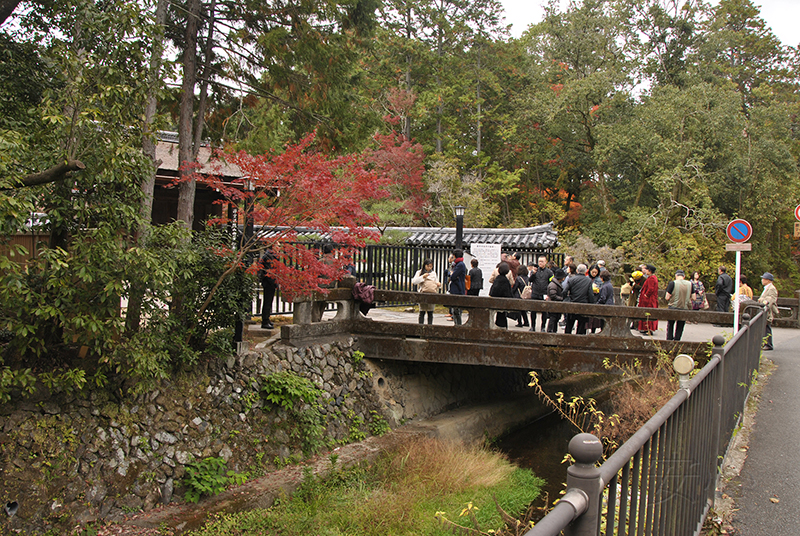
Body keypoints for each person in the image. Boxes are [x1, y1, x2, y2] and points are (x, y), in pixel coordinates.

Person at [563, 263, 595, 334]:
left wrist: (567, 299)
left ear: (577, 270)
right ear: (586, 271)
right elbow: (590, 294)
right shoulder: (588, 281)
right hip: (583, 305)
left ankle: (566, 339)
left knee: (569, 324)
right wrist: (592, 304)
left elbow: (564, 291)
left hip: (572, 303)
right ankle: (578, 341)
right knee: (581, 325)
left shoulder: (571, 279)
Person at [665, 270, 692, 341]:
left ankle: (669, 339)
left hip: (673, 306)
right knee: (680, 326)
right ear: (684, 276)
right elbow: (694, 297)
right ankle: (677, 340)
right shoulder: (690, 284)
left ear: (676, 276)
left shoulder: (672, 283)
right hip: (684, 307)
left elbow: (667, 297)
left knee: (670, 324)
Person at [412, 259, 441, 324]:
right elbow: (414, 282)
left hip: (431, 294)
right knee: (422, 311)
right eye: (428, 266)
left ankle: (430, 327)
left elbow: (436, 282)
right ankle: (421, 326)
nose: (429, 268)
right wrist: (422, 277)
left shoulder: (433, 273)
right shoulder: (419, 272)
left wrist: (438, 284)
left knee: (430, 312)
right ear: (424, 265)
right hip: (423, 293)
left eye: (431, 266)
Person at [529, 256, 553, 332]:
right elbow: (530, 280)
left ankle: (543, 327)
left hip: (544, 293)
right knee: (533, 311)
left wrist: (549, 294)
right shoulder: (535, 271)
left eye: (542, 261)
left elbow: (551, 282)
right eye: (539, 261)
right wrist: (533, 273)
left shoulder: (549, 272)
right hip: (535, 292)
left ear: (545, 262)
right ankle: (533, 326)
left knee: (544, 311)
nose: (540, 263)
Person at [258, 248, 278, 329]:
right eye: (278, 246)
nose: (279, 248)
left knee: (269, 302)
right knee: (267, 302)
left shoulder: (269, 255)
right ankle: (265, 321)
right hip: (268, 283)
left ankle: (267, 319)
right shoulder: (268, 256)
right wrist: (274, 283)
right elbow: (269, 272)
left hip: (268, 282)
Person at [489, 261, 514, 328]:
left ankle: (498, 324)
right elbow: (509, 292)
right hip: (504, 301)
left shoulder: (497, 279)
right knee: (502, 314)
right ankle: (503, 325)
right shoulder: (506, 281)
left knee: (498, 314)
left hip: (496, 300)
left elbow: (493, 290)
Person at [758, 272, 779, 350]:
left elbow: (771, 299)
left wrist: (762, 300)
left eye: (764, 279)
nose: (762, 280)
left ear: (768, 280)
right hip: (766, 310)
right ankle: (766, 343)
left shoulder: (772, 288)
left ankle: (769, 344)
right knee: (765, 327)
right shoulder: (767, 288)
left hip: (768, 311)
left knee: (767, 327)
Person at [637, 264, 659, 336]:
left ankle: (649, 329)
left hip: (649, 300)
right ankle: (645, 328)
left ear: (650, 271)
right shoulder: (651, 278)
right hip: (648, 299)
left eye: (646, 270)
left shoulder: (652, 278)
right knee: (645, 313)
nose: (645, 271)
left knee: (648, 313)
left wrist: (646, 295)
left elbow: (651, 289)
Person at [448, 249, 467, 325]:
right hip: (456, 288)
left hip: (458, 289)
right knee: (455, 311)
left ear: (454, 256)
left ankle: (458, 326)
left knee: (456, 311)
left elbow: (453, 276)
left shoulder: (460, 265)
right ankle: (457, 325)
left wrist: (451, 274)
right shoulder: (457, 264)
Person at [587, 264, 603, 333]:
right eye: (592, 272)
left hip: (596, 298)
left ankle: (593, 331)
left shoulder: (599, 280)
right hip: (588, 299)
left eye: (595, 272)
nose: (594, 274)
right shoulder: (587, 278)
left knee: (595, 319)